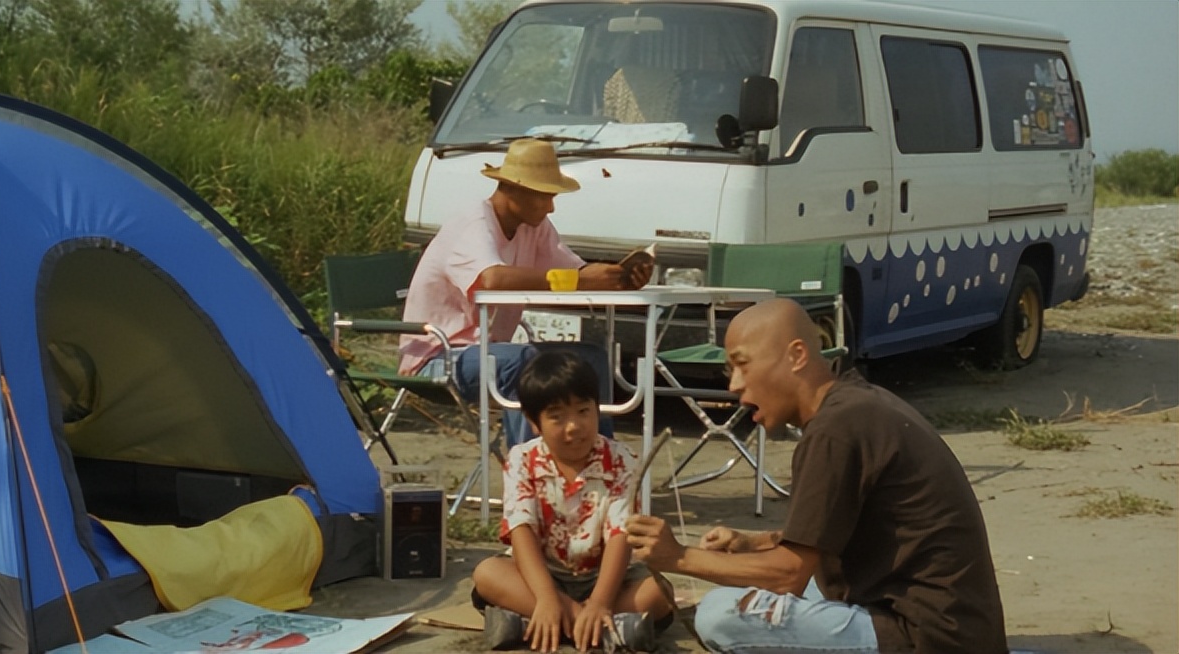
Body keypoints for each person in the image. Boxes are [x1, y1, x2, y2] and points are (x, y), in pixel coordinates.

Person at [625, 298, 1008, 654]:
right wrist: (755, 543)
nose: (735, 386)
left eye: (743, 365)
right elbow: (836, 533)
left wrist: (678, 557)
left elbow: (788, 575)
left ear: (796, 355)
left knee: (720, 614)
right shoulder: (854, 404)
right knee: (766, 587)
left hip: (928, 636)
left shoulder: (835, 429)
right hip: (955, 625)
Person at [398, 137, 653, 448]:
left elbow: (575, 274)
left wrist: (619, 276)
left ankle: (600, 468)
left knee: (592, 358)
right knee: (529, 363)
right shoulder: (472, 224)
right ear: (514, 189)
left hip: (491, 351)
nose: (551, 206)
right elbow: (493, 279)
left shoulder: (535, 226)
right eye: (544, 196)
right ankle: (529, 476)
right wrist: (579, 280)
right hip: (439, 354)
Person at [470, 349, 672, 652]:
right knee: (486, 574)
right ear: (534, 421)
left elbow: (620, 536)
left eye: (583, 411)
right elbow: (521, 531)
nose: (574, 426)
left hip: (606, 578)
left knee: (659, 593)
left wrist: (601, 602)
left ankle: (542, 625)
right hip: (542, 576)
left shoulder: (622, 460)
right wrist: (549, 598)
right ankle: (590, 626)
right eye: (557, 416)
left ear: (597, 409)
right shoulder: (522, 460)